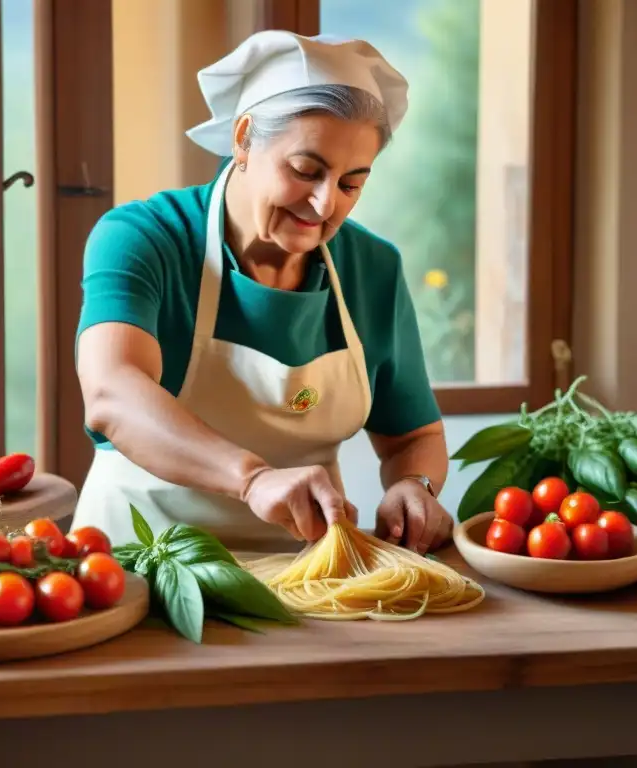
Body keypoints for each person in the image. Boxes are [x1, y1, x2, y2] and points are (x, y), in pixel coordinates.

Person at [71, 30, 453, 554]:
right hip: (141, 566)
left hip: (308, 579)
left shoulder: (373, 268)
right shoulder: (143, 238)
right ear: (244, 138)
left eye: (350, 185)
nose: (323, 206)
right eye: (305, 171)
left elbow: (414, 437)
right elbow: (113, 393)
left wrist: (415, 486)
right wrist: (252, 479)